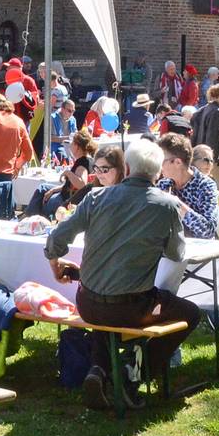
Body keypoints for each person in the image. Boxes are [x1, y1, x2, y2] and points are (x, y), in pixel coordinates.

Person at [45, 139, 200, 410]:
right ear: (159, 173)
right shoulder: (166, 206)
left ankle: (99, 369)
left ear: (126, 167)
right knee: (190, 313)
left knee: (108, 308)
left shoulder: (95, 197)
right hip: (132, 308)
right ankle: (133, 373)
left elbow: (57, 237)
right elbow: (177, 254)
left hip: (89, 303)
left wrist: (55, 265)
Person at [157, 133, 218, 238]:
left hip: (200, 250)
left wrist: (177, 204)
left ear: (177, 162)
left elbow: (208, 231)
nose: (158, 165)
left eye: (161, 161)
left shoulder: (205, 186)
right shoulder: (163, 185)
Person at [40, 130, 96, 218]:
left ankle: (35, 216)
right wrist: (54, 190)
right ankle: (30, 215)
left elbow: (82, 184)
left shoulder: (82, 163)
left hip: (67, 199)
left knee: (45, 199)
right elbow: (71, 185)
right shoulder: (89, 160)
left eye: (72, 143)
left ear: (77, 147)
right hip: (68, 192)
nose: (70, 145)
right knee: (43, 187)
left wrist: (67, 173)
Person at [191, 83, 219, 163]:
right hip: (209, 154)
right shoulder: (217, 111)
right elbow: (213, 135)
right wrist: (212, 156)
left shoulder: (206, 108)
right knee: (215, 175)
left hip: (201, 149)